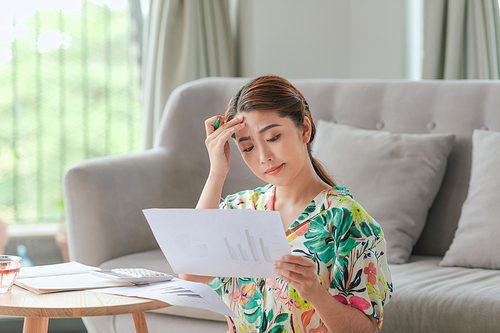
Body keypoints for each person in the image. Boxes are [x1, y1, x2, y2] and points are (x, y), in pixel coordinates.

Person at [179, 75, 392, 333]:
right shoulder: (239, 210)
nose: (264, 157)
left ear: (304, 128)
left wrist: (316, 293)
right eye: (247, 148)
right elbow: (191, 274)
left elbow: (366, 330)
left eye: (273, 138)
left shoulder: (346, 220)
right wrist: (217, 172)